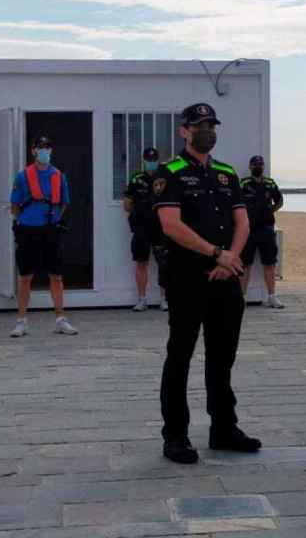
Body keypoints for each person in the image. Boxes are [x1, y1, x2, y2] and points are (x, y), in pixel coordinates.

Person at [155, 103, 261, 464]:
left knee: (222, 358)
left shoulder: (226, 173)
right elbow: (171, 225)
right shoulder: (169, 172)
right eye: (200, 125)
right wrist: (217, 254)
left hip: (224, 279)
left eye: (212, 125)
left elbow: (243, 223)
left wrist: (230, 258)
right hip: (187, 279)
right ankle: (176, 436)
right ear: (184, 131)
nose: (208, 131)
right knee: (180, 357)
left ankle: (224, 428)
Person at [9, 136, 77, 337]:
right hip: (28, 230)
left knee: (56, 276)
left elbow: (64, 203)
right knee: (25, 276)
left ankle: (60, 319)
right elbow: (14, 206)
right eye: (40, 148)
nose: (44, 151)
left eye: (47, 147)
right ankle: (21, 321)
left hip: (50, 230)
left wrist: (55, 219)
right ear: (33, 151)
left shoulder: (59, 176)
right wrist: (26, 220)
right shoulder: (22, 176)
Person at [124, 147, 168, 312]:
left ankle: (164, 299)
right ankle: (142, 299)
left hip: (160, 227)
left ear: (158, 159)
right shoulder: (136, 178)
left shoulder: (163, 178)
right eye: (148, 159)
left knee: (163, 264)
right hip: (141, 228)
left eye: (154, 159)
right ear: (143, 160)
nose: (151, 162)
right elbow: (127, 204)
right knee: (141, 262)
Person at [239, 155, 284, 308]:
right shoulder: (243, 183)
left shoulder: (270, 183)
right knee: (245, 264)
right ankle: (242, 298)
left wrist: (270, 211)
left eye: (261, 164)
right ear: (250, 167)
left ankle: (272, 297)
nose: (258, 167)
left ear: (263, 167)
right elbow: (236, 203)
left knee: (269, 263)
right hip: (248, 229)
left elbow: (280, 201)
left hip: (266, 229)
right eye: (255, 165)